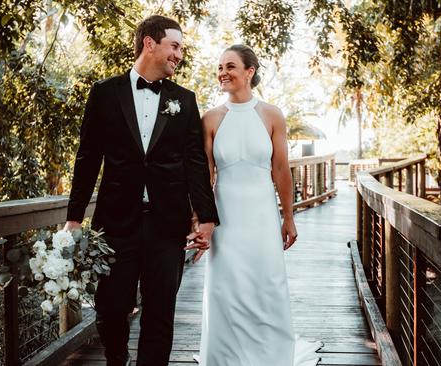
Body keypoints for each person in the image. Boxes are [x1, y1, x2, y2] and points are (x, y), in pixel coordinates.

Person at [64, 15, 218, 366]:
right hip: (116, 225)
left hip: (167, 224)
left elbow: (195, 163)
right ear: (150, 43)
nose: (179, 55)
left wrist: (206, 216)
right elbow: (87, 158)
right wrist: (74, 217)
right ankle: (116, 358)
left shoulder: (185, 100)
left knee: (161, 310)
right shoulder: (105, 93)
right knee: (112, 306)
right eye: (174, 46)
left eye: (181, 48)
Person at [196, 45, 321, 365]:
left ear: (249, 72)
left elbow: (281, 170)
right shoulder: (210, 118)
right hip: (225, 216)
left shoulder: (271, 114)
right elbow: (204, 176)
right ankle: (225, 355)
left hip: (263, 215)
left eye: (230, 66)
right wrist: (200, 220)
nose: (222, 73)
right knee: (226, 287)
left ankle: (270, 355)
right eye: (219, 67)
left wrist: (289, 218)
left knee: (267, 283)